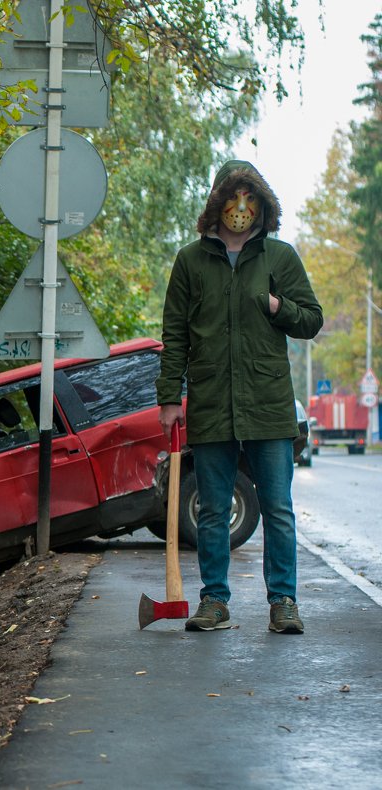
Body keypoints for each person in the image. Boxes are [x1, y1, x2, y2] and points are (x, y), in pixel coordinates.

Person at [156, 160, 323, 634]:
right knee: (213, 509)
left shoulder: (280, 258)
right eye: (234, 197)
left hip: (268, 403)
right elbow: (175, 333)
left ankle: (283, 601)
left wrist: (277, 305)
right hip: (211, 401)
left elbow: (311, 320)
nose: (241, 208)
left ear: (263, 205)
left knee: (278, 509)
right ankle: (214, 601)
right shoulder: (190, 261)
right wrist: (169, 398)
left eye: (251, 198)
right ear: (218, 203)